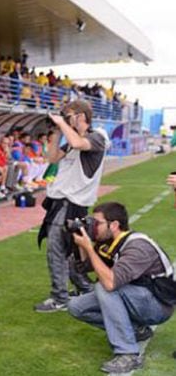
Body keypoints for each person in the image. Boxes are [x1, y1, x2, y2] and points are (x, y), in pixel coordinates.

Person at [67, 202, 173, 373]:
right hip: (135, 297)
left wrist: (88, 247)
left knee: (104, 287)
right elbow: (85, 266)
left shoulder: (137, 246)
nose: (93, 227)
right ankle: (136, 329)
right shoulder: (109, 242)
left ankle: (128, 354)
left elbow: (110, 283)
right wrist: (81, 239)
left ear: (114, 224)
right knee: (76, 307)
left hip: (158, 305)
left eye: (97, 223)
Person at [34, 100, 109, 313]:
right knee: (70, 251)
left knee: (56, 249)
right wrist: (57, 131)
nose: (67, 119)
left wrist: (63, 123)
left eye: (70, 115)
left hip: (72, 202)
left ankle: (60, 297)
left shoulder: (96, 137)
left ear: (81, 116)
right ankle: (85, 289)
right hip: (62, 201)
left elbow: (78, 144)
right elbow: (52, 157)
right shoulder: (72, 138)